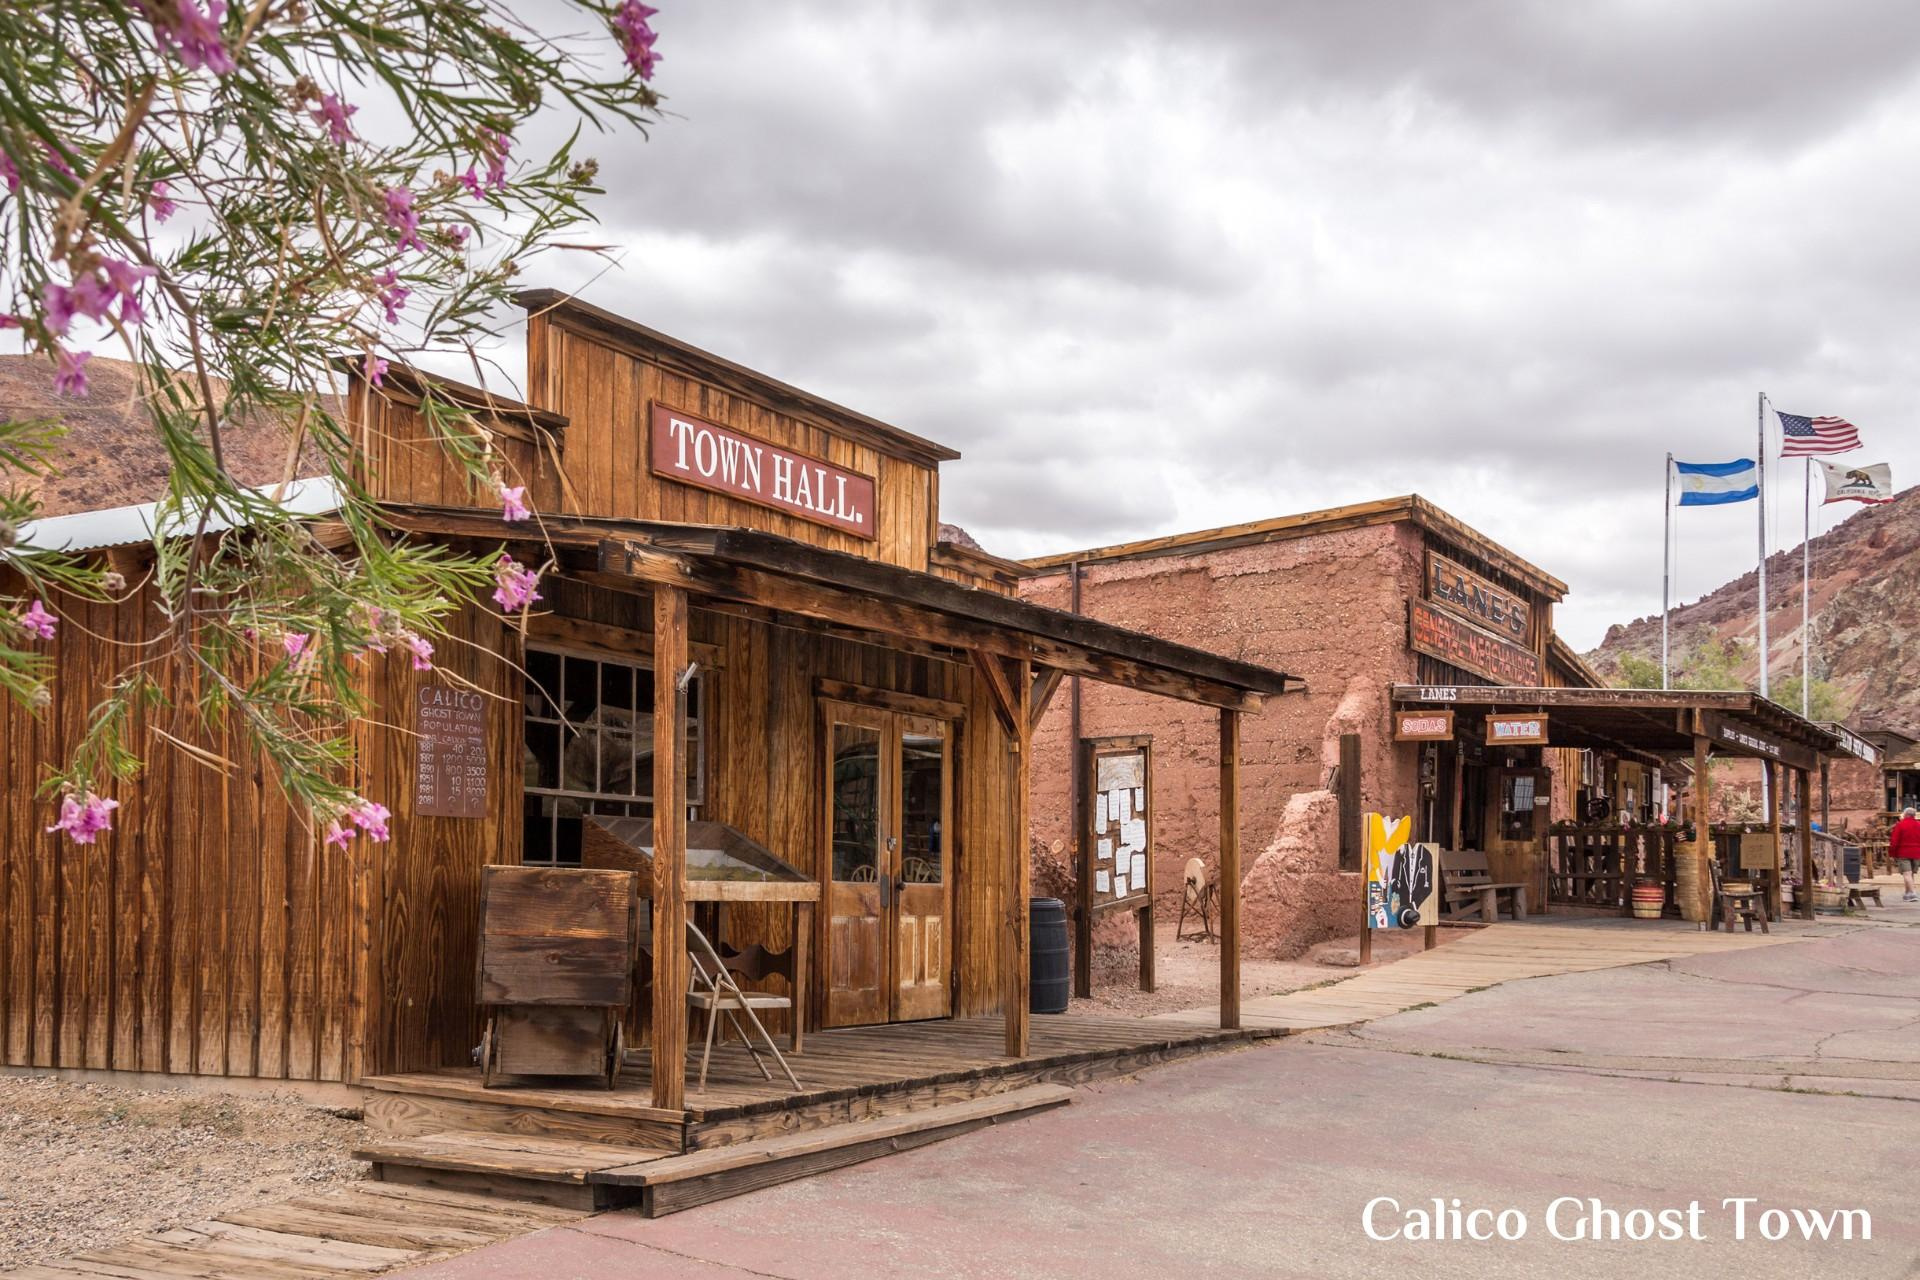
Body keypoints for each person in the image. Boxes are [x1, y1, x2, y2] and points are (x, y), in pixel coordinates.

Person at [1889, 806, 1920, 902]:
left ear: (1905, 814)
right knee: (1911, 874)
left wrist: (1892, 854)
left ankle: (1913, 893)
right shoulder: (1919, 825)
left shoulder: (1900, 825)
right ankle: (1907, 893)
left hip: (1903, 852)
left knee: (1907, 874)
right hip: (1916, 853)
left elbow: (1894, 841)